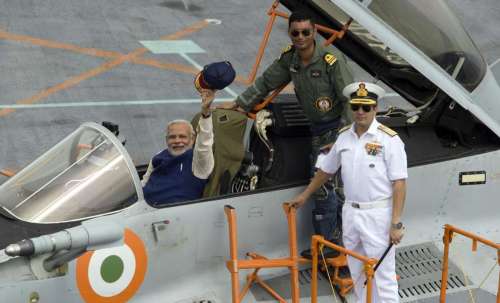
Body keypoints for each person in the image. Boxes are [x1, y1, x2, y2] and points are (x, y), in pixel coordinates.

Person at [219, 10, 353, 243]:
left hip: (336, 130)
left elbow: (350, 99)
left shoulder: (332, 61)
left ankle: (329, 245)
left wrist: (343, 138)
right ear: (290, 34)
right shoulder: (290, 59)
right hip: (317, 131)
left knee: (323, 188)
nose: (300, 37)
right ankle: (332, 242)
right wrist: (239, 104)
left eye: (305, 32)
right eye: (295, 33)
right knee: (330, 188)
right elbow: (266, 82)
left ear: (314, 33)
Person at [289, 82, 407, 303]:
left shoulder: (389, 140)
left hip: (378, 215)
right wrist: (305, 195)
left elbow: (399, 183)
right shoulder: (344, 137)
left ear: (376, 108)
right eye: (356, 107)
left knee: (383, 276)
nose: (360, 112)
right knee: (358, 272)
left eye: (366, 107)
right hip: (351, 213)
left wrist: (396, 222)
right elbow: (326, 171)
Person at [142, 61, 236, 205]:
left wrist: (206, 113)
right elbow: (143, 184)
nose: (177, 140)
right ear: (166, 140)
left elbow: (204, 144)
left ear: (193, 140)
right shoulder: (157, 157)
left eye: (183, 137)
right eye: (172, 137)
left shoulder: (198, 165)